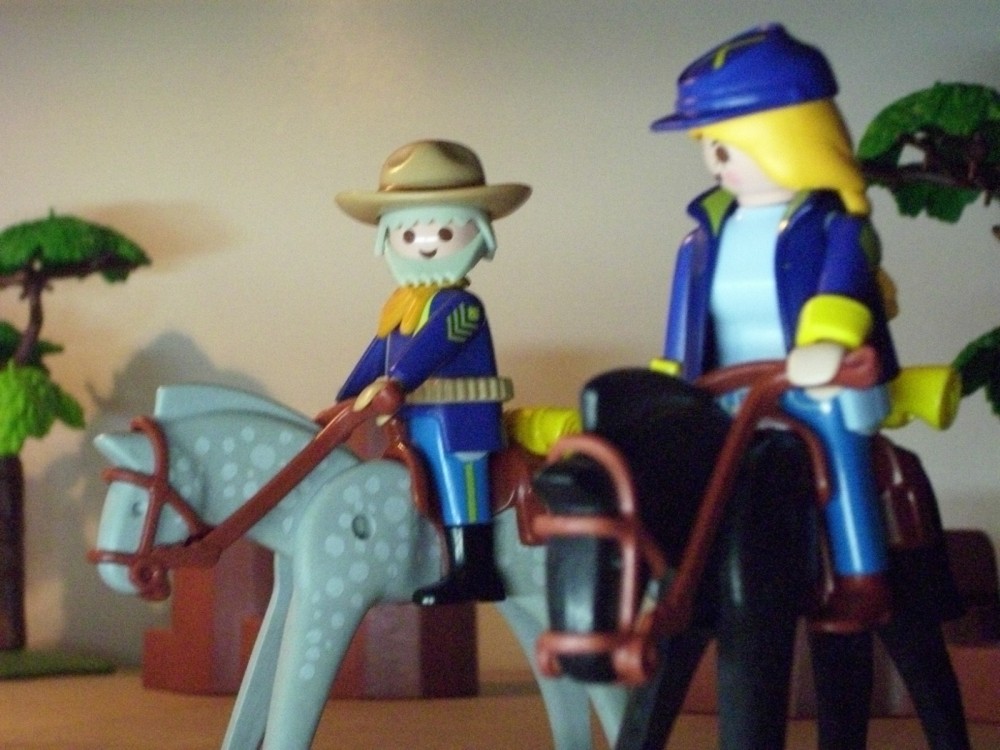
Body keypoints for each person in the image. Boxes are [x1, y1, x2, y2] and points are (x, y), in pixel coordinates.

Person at [649, 23, 899, 629]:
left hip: (816, 381)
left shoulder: (836, 227)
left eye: (726, 145)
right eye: (709, 145)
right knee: (675, 460)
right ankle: (676, 573)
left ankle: (862, 575)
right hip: (725, 388)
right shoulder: (702, 236)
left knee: (837, 444)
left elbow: (842, 289)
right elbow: (686, 319)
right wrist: (670, 378)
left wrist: (825, 344)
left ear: (787, 139)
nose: (715, 161)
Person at [335, 139, 531, 606]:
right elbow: (379, 352)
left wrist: (397, 381)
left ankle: (475, 568)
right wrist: (346, 397)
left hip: (459, 418)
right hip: (412, 416)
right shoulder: (400, 306)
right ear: (387, 239)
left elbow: (435, 344)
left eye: (444, 233)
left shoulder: (461, 307)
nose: (425, 244)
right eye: (408, 235)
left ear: (481, 234)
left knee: (458, 480)